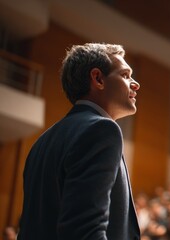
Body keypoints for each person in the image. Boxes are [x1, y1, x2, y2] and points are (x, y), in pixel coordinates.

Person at [17, 43, 141, 240]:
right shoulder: (102, 130)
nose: (135, 84)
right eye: (125, 75)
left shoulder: (41, 143)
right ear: (98, 79)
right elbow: (84, 231)